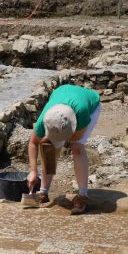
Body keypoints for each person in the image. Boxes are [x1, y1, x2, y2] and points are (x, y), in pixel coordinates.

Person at [27, 84, 102, 215]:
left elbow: (74, 138)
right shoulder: (43, 120)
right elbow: (33, 143)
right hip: (62, 94)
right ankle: (43, 192)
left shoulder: (82, 112)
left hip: (89, 104)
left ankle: (82, 196)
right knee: (48, 147)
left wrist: (64, 140)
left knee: (76, 147)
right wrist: (33, 171)